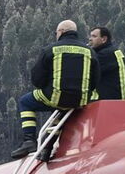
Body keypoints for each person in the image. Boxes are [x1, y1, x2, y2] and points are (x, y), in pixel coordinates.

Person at [11, 20, 100, 161]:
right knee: (63, 109)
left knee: (25, 102)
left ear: (61, 31)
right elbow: (95, 79)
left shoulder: (50, 50)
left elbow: (37, 79)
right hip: (80, 100)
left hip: (55, 97)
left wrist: (48, 86)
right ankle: (47, 148)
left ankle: (29, 140)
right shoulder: (90, 52)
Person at [88, 26, 125, 101]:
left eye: (94, 36)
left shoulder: (104, 55)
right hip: (120, 99)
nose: (90, 39)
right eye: (90, 36)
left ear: (104, 39)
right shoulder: (113, 51)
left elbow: (86, 71)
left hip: (110, 101)